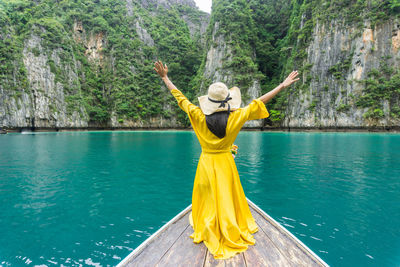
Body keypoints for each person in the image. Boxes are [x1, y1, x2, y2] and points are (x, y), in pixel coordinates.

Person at [154, 60, 300, 260]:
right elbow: (259, 101)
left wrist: (164, 77)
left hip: (206, 163)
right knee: (225, 195)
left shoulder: (197, 115)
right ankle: (227, 225)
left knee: (208, 195)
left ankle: (208, 224)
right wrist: (282, 85)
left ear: (209, 103)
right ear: (228, 101)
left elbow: (179, 97)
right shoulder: (237, 117)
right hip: (225, 163)